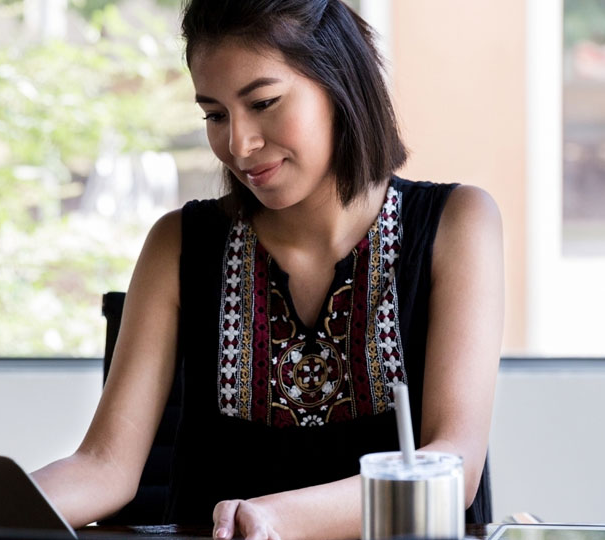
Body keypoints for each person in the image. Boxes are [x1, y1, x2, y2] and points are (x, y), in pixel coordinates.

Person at [30, 1, 504, 538]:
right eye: (215, 115)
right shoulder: (177, 243)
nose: (238, 144)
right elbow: (102, 468)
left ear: (339, 84)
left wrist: (276, 517)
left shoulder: (458, 222)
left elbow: (452, 468)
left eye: (263, 103)